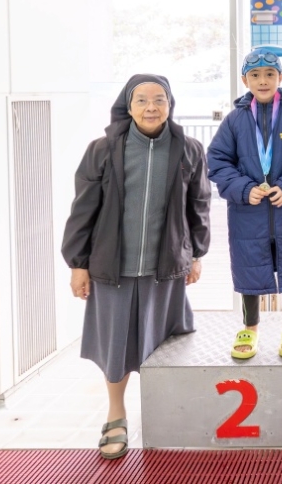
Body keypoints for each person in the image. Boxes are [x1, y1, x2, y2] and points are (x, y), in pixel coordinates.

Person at [61, 74, 210, 460]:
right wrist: (78, 264)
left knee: (165, 345)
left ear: (170, 105)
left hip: (166, 267)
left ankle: (165, 417)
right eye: (141, 100)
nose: (151, 107)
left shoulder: (188, 149)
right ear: (128, 106)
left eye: (159, 99)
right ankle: (116, 415)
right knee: (117, 346)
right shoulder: (102, 149)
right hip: (113, 267)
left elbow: (198, 204)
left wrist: (196, 254)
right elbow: (83, 210)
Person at [207, 49, 282, 360]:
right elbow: (217, 161)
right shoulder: (234, 120)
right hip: (247, 212)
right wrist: (244, 189)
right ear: (244, 79)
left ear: (280, 78)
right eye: (256, 75)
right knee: (249, 265)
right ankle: (250, 327)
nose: (263, 81)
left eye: (270, 74)